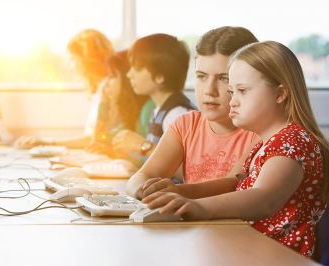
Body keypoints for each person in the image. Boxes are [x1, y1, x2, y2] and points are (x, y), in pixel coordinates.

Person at [143, 41, 329, 257]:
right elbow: (237, 185)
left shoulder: (293, 142)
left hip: (279, 258)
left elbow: (264, 198)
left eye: (242, 91)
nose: (233, 101)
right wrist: (181, 192)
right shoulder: (264, 142)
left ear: (280, 94)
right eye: (231, 91)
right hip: (253, 250)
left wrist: (198, 207)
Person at [126, 26, 259, 199]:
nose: (209, 90)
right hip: (193, 225)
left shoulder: (260, 133)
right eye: (202, 76)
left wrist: (175, 192)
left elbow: (230, 187)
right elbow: (141, 177)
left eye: (224, 78)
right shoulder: (185, 125)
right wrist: (144, 191)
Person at [15, 29, 114, 149]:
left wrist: (46, 142)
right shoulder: (100, 89)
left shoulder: (109, 89)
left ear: (86, 59)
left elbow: (92, 139)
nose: (71, 65)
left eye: (73, 59)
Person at [112, 33, 196, 163]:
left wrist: (142, 145)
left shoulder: (177, 114)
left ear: (159, 76)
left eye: (137, 68)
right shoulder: (159, 111)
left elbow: (188, 167)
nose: (129, 74)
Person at [87, 50, 149, 156]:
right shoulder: (121, 109)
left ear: (126, 79)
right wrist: (104, 104)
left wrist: (111, 153)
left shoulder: (146, 111)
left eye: (111, 76)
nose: (106, 83)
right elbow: (96, 142)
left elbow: (144, 157)